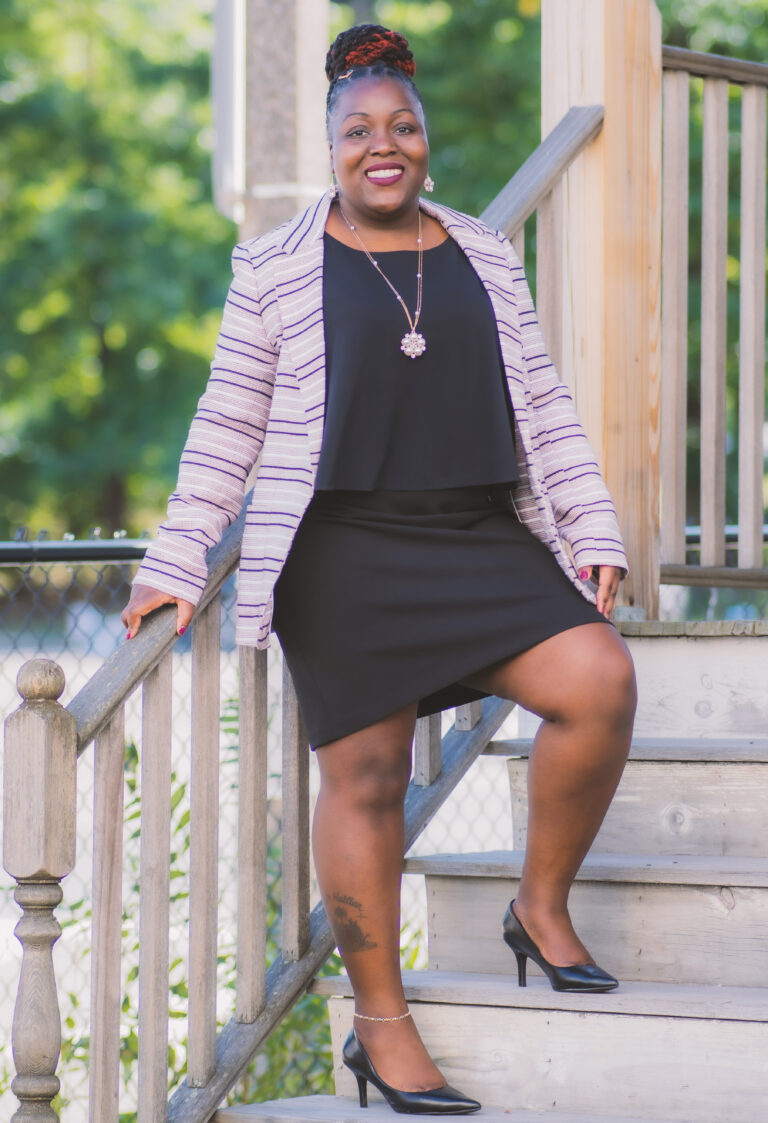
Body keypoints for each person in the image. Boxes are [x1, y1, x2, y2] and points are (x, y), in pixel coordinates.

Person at [122, 23, 637, 1116]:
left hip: (477, 530)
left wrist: (591, 528)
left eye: (402, 125)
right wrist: (176, 552)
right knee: (363, 780)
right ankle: (380, 1026)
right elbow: (232, 419)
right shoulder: (274, 265)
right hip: (343, 545)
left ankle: (538, 907)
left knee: (599, 682)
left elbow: (542, 404)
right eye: (359, 130)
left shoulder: (486, 253)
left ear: (427, 141)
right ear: (332, 147)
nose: (382, 144)